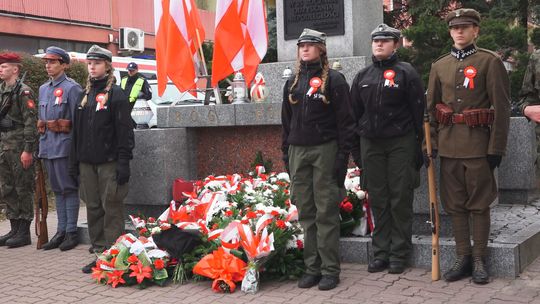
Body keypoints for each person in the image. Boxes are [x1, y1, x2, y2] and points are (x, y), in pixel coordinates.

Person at [426, 8, 510, 284]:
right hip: (449, 147)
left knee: (479, 204)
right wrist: (432, 143)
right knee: (455, 206)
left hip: (478, 145)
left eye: (466, 27)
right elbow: (431, 110)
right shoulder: (439, 66)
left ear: (476, 30)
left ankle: (479, 259)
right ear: (450, 31)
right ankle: (463, 257)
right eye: (455, 28)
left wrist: (496, 148)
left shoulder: (489, 62)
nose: (459, 32)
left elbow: (501, 107)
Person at [281, 28, 355, 291]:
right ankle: (311, 268)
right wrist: (285, 155)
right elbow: (286, 124)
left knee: (326, 212)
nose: (304, 49)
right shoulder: (292, 82)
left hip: (325, 150)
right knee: (306, 213)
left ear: (321, 49)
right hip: (298, 151)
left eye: (310, 45)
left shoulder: (334, 80)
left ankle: (330, 270)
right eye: (301, 45)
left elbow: (346, 123)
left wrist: (341, 159)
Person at [349, 24, 425, 275]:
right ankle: (380, 251)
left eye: (385, 41)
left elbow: (418, 112)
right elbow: (354, 116)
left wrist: (418, 147)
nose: (379, 44)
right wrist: (358, 152)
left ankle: (399, 252)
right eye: (376, 41)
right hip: (371, 143)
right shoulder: (363, 77)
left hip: (400, 142)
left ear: (395, 44)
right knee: (378, 199)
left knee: (400, 198)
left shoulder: (406, 73)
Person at [70, 45, 134, 273]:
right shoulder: (83, 95)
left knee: (112, 208)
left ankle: (115, 255)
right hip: (87, 163)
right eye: (89, 63)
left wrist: (124, 163)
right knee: (94, 208)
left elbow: (125, 133)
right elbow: (76, 133)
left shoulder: (116, 94)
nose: (92, 67)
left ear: (107, 66)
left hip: (109, 162)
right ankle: (99, 254)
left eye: (97, 63)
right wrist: (74, 162)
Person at [37, 46, 83, 251]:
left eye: (53, 62)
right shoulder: (43, 89)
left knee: (68, 188)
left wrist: (76, 150)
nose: (48, 65)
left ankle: (71, 231)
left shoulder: (72, 88)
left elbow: (78, 121)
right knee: (57, 189)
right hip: (48, 145)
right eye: (46, 62)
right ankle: (61, 231)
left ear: (64, 64)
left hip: (65, 146)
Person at [0, 52, 38, 248]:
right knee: (8, 188)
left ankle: (24, 232)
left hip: (19, 146)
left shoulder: (24, 92)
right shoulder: (2, 90)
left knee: (22, 187)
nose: (1, 69)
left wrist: (28, 150)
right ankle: (14, 228)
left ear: (15, 69)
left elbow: (30, 123)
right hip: (4, 145)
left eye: (5, 66)